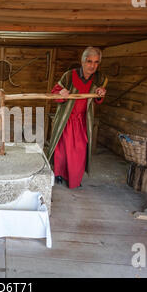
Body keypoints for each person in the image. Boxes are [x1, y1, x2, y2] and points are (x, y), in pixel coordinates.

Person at [46, 47, 108, 189]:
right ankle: (59, 174)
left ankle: (73, 178)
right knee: (62, 149)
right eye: (89, 61)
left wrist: (101, 93)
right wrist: (61, 92)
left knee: (79, 150)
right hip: (66, 119)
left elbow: (99, 98)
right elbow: (54, 92)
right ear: (82, 61)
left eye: (96, 62)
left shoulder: (99, 79)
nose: (92, 65)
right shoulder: (69, 76)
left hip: (82, 121)